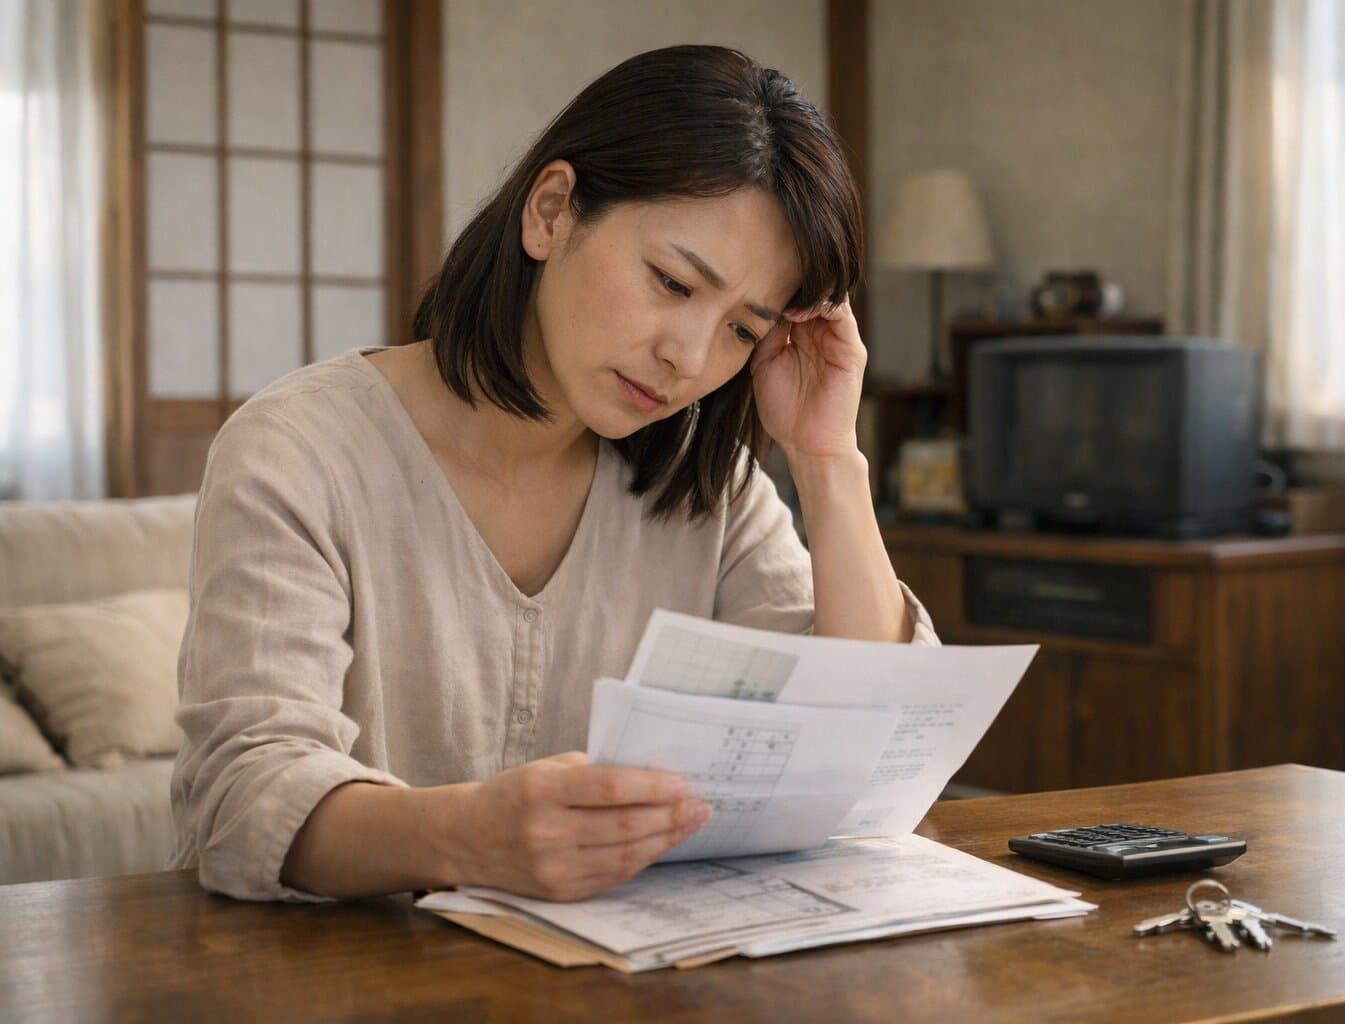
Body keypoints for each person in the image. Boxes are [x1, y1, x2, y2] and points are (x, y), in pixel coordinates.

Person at [168, 44, 939, 905]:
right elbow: (241, 799)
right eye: (672, 282)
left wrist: (829, 459)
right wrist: (470, 836)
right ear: (550, 211)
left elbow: (868, 745)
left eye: (741, 331)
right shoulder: (298, 449)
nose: (687, 356)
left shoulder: (706, 485)